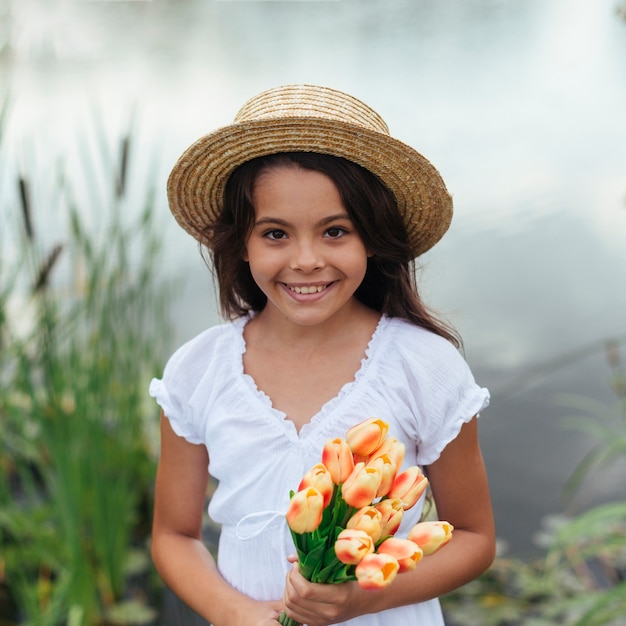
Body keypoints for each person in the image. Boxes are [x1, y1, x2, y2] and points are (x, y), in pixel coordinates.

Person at [149, 84, 495, 626]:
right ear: (242, 244)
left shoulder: (424, 367)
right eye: (275, 233)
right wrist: (238, 614)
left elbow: (473, 537)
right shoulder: (199, 370)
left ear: (373, 239)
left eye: (336, 231)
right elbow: (173, 534)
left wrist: (363, 598)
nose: (306, 260)